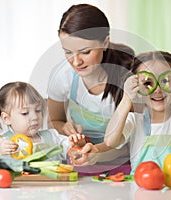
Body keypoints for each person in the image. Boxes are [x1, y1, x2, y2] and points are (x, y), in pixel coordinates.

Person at [47, 4, 134, 173]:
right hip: (79, 163)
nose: (76, 61)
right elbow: (55, 120)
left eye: (85, 52)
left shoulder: (127, 78)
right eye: (68, 52)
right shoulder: (62, 77)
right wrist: (65, 128)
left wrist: (96, 152)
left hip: (123, 164)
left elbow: (134, 136)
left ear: (105, 42)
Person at [103, 51, 171, 173]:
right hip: (140, 189)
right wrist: (126, 99)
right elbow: (110, 141)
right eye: (147, 83)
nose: (157, 90)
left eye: (165, 81)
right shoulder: (135, 120)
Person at [0, 81, 85, 161]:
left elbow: (76, 154)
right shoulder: (4, 143)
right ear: (7, 118)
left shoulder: (53, 137)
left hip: (53, 188)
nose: (35, 117)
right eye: (25, 113)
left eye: (38, 110)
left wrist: (77, 144)